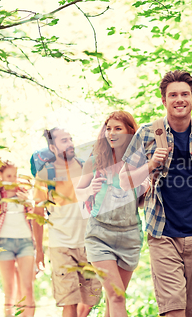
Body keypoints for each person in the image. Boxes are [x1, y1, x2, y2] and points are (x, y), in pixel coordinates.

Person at [119, 70, 192, 317]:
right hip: (163, 233)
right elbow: (124, 180)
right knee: (174, 311)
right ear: (164, 101)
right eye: (173, 95)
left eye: (185, 94)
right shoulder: (148, 134)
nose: (179, 99)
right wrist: (150, 165)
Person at [75, 111, 148, 317]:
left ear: (130, 133)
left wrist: (145, 188)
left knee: (112, 301)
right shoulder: (95, 160)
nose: (111, 133)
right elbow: (78, 193)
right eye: (108, 129)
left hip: (130, 237)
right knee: (117, 297)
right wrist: (90, 190)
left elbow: (141, 204)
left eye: (118, 129)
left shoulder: (140, 162)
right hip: (100, 235)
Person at [32, 127, 101, 317]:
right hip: (61, 245)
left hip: (88, 243)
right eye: (64, 141)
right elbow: (37, 215)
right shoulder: (46, 175)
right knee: (69, 302)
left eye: (70, 139)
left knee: (90, 300)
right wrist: (39, 251)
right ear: (53, 147)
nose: (70, 143)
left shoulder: (84, 166)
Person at [0, 160, 36, 317]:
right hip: (3, 243)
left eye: (15, 175)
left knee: (27, 287)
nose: (13, 179)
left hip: (25, 242)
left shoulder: (24, 191)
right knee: (9, 289)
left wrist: (29, 202)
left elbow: (37, 218)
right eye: (9, 176)